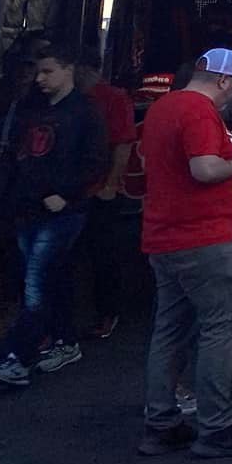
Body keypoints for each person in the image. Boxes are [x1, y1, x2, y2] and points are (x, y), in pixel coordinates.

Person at [137, 49, 232, 458]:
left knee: (169, 330)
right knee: (217, 330)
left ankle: (160, 423)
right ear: (224, 81)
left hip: (163, 236)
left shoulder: (163, 107)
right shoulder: (199, 111)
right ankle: (216, 426)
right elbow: (205, 168)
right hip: (204, 239)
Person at [0, 43, 107, 387]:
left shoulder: (85, 112)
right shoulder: (33, 111)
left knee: (36, 282)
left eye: (48, 72)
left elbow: (95, 161)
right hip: (29, 209)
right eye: (39, 72)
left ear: (68, 70)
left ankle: (17, 356)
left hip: (62, 212)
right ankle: (63, 340)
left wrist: (66, 194)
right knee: (50, 277)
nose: (41, 79)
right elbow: (13, 159)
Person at [77, 59, 139, 341]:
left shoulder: (111, 99)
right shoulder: (68, 100)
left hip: (99, 188)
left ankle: (106, 311)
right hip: (73, 189)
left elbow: (123, 142)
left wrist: (112, 184)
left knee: (102, 253)